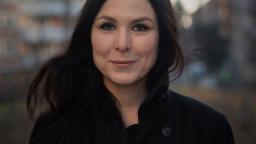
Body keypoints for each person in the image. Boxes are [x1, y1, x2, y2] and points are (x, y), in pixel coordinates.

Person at [27, 0, 234, 144]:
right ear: (88, 36)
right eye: (107, 26)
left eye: (140, 27)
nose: (122, 44)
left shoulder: (209, 129)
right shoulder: (52, 131)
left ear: (161, 38)